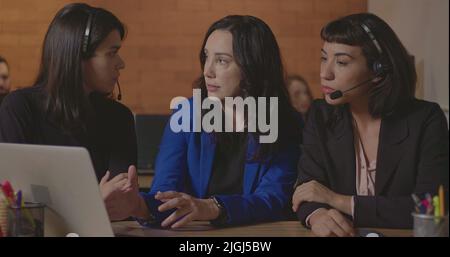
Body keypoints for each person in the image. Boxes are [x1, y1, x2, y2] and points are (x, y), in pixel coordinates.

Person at [103, 15, 301, 227]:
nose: (208, 71)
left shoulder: (286, 122)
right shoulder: (185, 115)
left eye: (221, 60)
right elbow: (164, 192)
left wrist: (212, 207)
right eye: (206, 57)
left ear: (253, 66)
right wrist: (139, 206)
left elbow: (272, 199)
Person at [292, 13, 449, 237]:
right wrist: (317, 215)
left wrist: (337, 200)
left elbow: (429, 208)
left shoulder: (425, 120)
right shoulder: (320, 115)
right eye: (324, 58)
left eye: (342, 62)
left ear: (378, 70)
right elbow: (309, 190)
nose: (324, 73)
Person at [0, 3, 137, 212]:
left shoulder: (120, 118)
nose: (121, 63)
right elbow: (13, 199)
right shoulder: (19, 108)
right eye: (111, 53)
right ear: (78, 56)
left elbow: (119, 201)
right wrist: (92, 201)